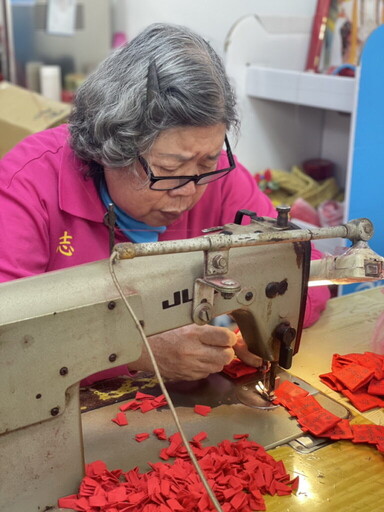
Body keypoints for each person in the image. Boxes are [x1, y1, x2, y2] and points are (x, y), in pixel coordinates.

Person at [0, 23, 330, 385]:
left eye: (207, 162)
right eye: (169, 169)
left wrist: (270, 323)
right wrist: (134, 352)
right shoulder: (26, 188)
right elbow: (9, 340)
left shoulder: (218, 178)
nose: (189, 190)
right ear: (111, 146)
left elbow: (307, 273)